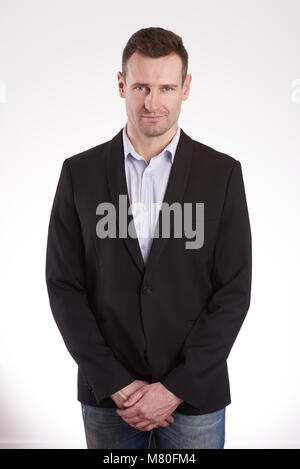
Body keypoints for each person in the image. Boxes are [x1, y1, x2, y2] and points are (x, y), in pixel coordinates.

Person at [45, 27, 252, 450]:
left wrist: (175, 388)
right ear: (121, 84)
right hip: (110, 399)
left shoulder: (223, 175)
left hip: (194, 400)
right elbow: (64, 286)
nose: (152, 102)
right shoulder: (78, 174)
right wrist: (114, 382)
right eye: (140, 86)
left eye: (166, 87)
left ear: (185, 88)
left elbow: (233, 291)